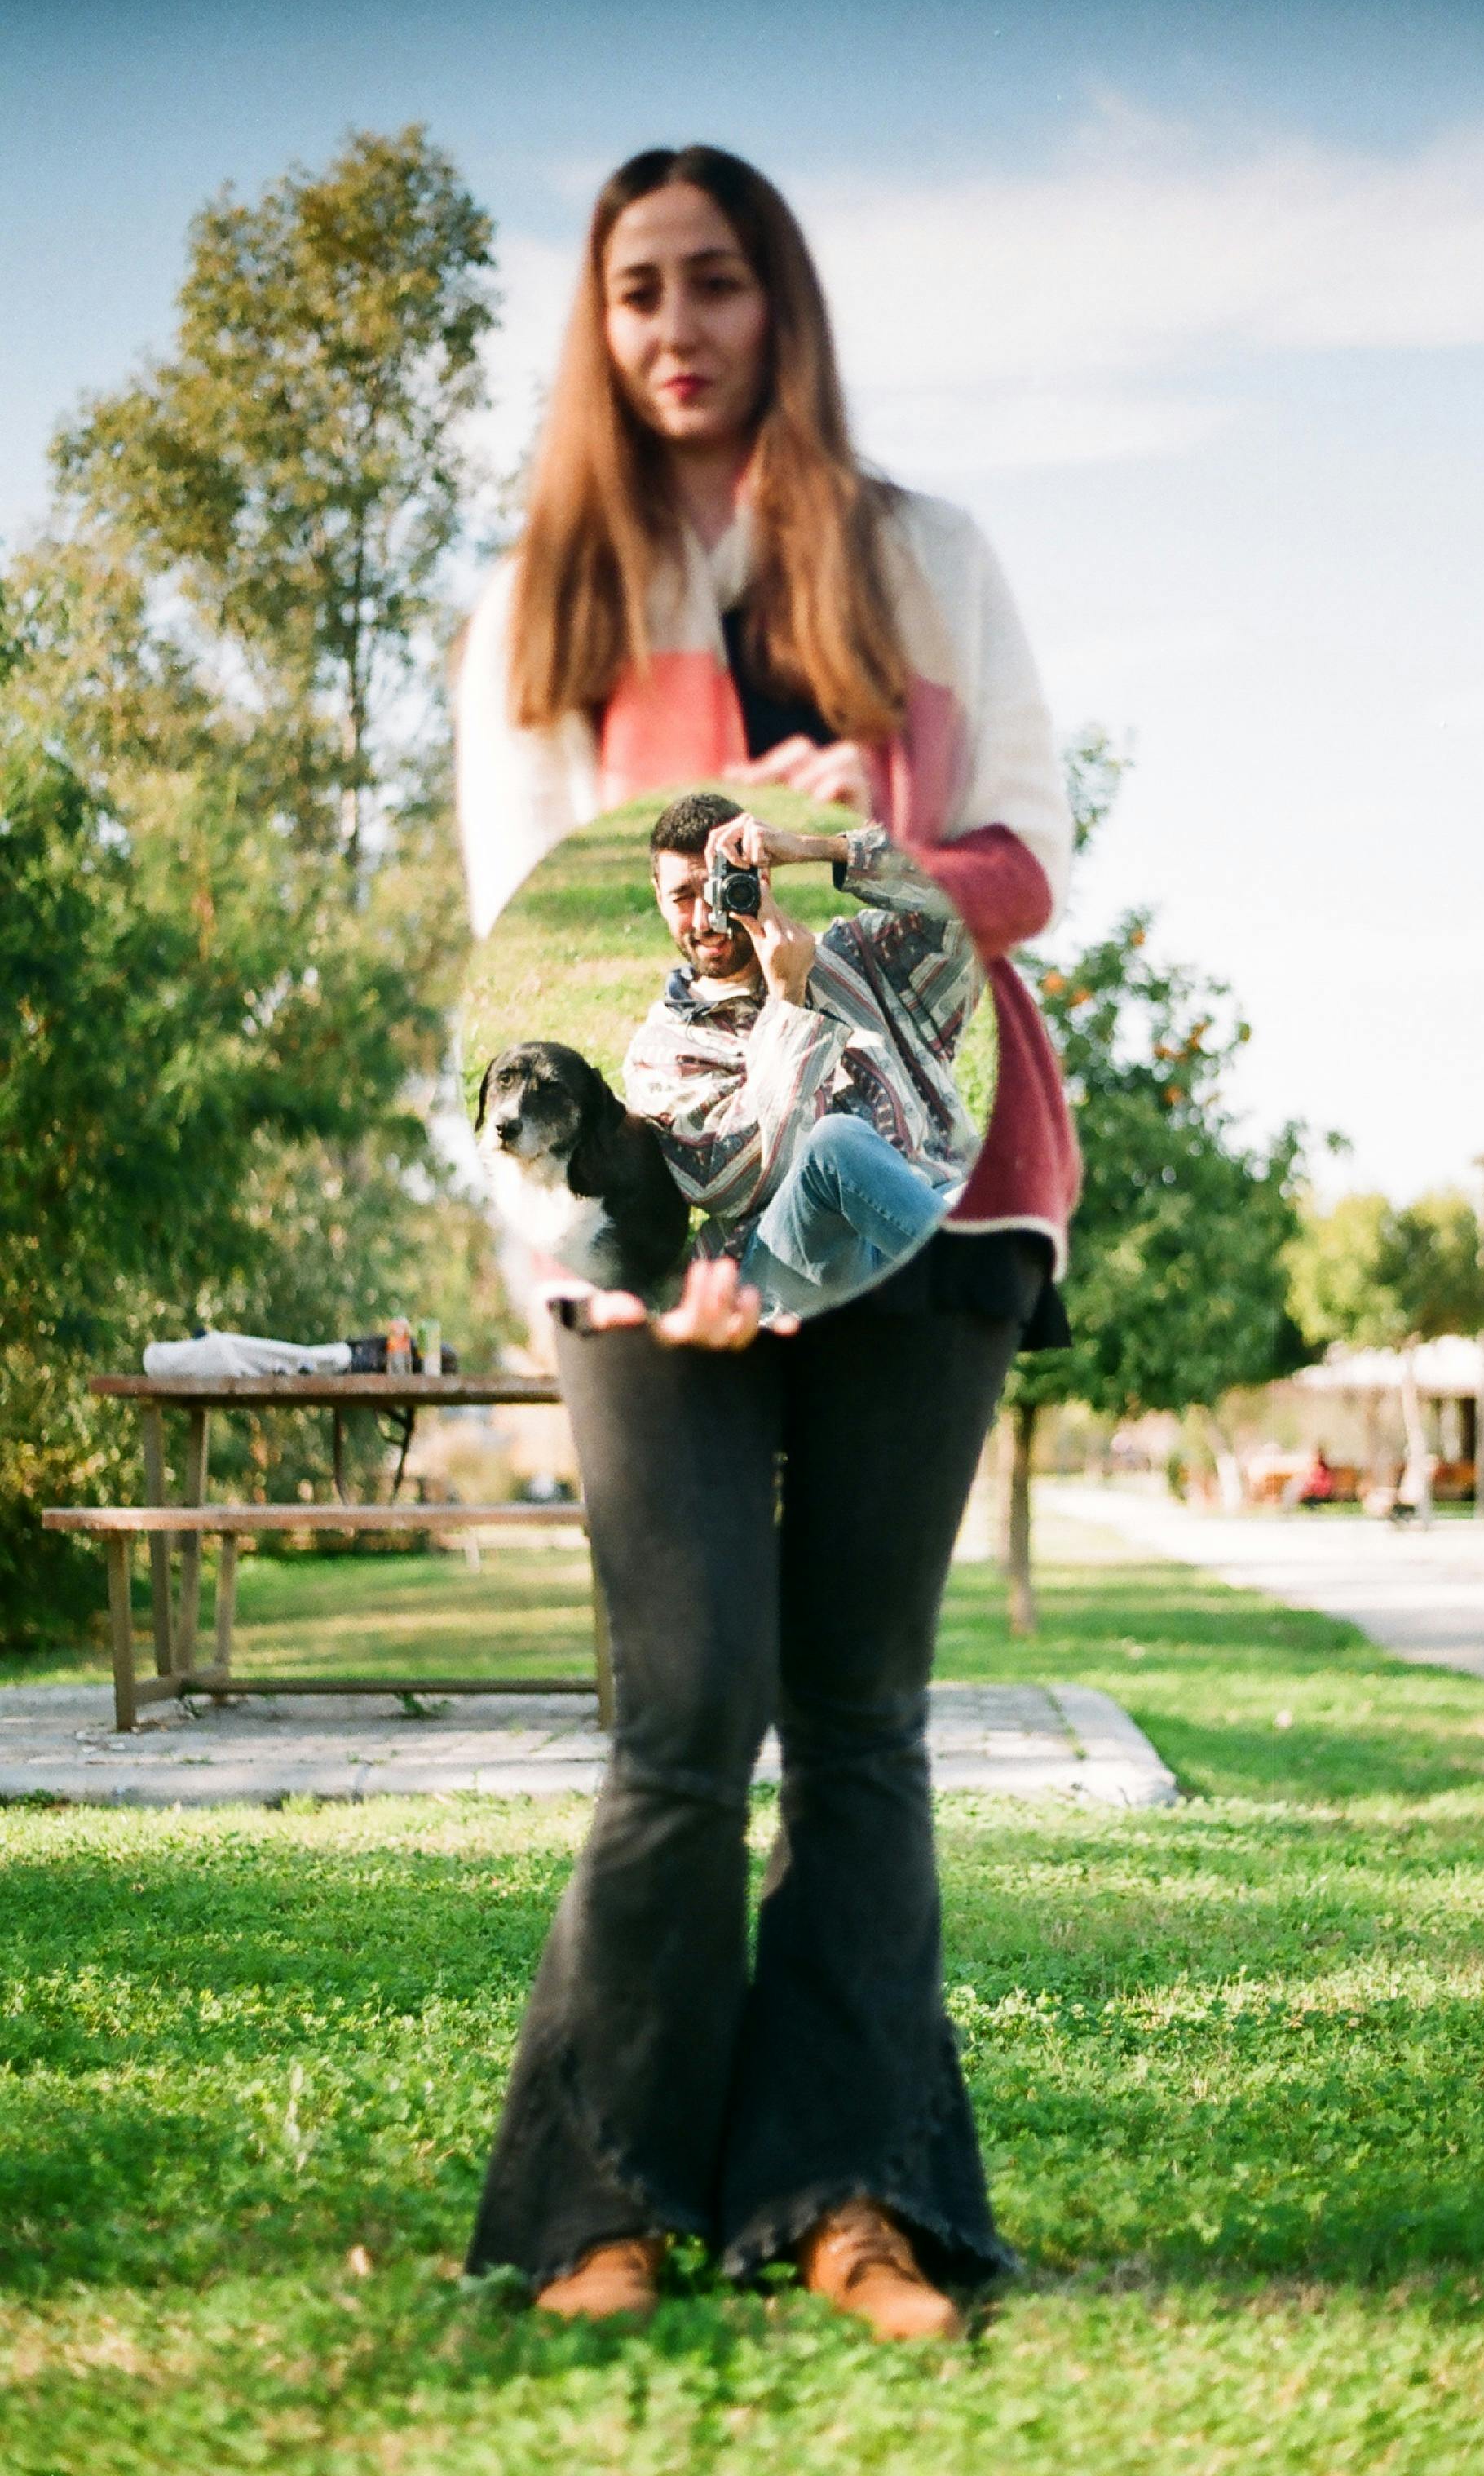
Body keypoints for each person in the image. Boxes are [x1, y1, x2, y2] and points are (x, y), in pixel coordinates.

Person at [453, 144, 1079, 2341]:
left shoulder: (924, 556)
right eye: (638, 291)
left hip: (923, 1179)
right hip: (651, 1211)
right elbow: (518, 967)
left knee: (863, 1714)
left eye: (717, 281)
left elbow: (1030, 866)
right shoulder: (547, 598)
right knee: (684, 1710)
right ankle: (603, 2206)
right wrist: (645, 1213)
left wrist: (866, 842)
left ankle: (855, 2204)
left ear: (779, 302)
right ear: (600, 325)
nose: (678, 326)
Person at [626, 788, 983, 1316]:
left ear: (761, 874)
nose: (707, 918)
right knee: (836, 1143)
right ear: (658, 896)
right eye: (683, 897)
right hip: (792, 1278)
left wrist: (821, 849)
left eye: (723, 887)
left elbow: (980, 893)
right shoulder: (662, 1052)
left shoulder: (866, 961)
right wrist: (787, 998)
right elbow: (738, 1183)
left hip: (928, 1213)